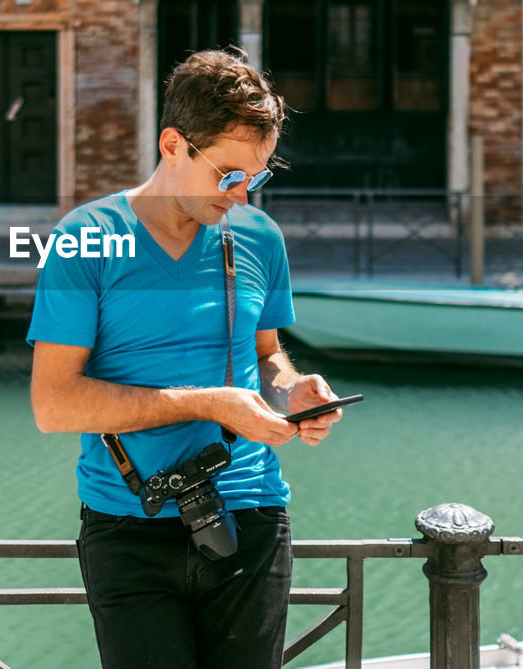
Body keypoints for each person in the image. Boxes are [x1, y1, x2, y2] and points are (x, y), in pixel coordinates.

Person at [28, 48, 343, 669]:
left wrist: (293, 390)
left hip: (250, 517)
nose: (242, 192)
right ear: (173, 145)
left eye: (256, 176)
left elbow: (267, 356)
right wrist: (205, 403)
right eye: (227, 174)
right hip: (127, 526)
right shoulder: (84, 238)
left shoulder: (260, 237)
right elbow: (53, 403)